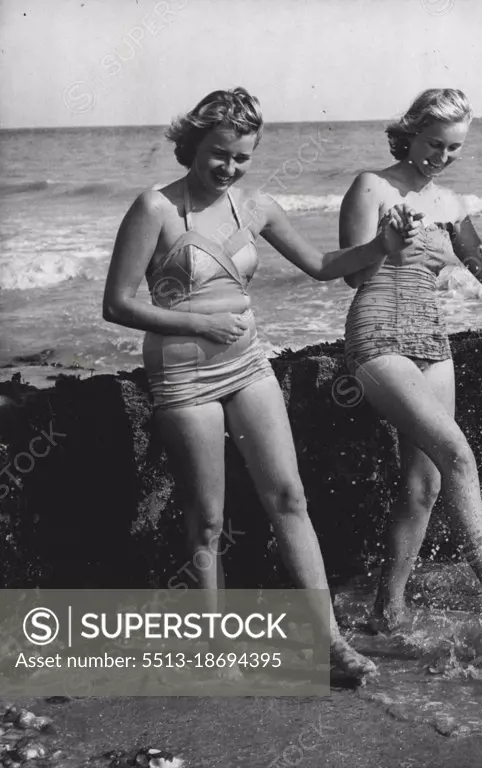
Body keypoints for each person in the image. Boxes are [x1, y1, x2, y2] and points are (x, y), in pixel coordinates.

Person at [102, 87, 418, 683]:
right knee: (209, 519)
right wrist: (198, 321)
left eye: (242, 157)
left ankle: (330, 645)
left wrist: (381, 247)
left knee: (290, 499)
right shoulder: (155, 209)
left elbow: (325, 267)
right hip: (182, 376)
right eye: (219, 154)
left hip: (248, 365)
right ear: (192, 145)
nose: (229, 168)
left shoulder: (258, 207)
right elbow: (117, 305)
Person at [337, 88, 482, 639]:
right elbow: (353, 275)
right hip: (376, 333)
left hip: (432, 338)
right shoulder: (371, 185)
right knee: (458, 451)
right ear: (409, 132)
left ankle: (388, 610)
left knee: (425, 484)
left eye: (454, 148)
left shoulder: (454, 204)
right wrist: (389, 240)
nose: (442, 156)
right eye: (435, 144)